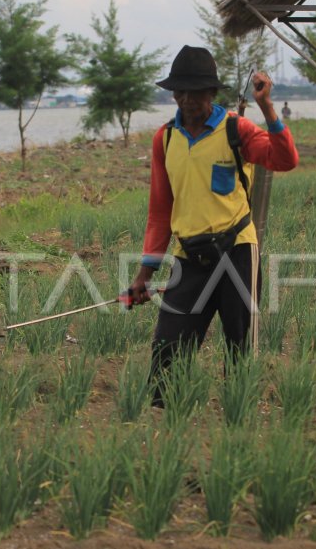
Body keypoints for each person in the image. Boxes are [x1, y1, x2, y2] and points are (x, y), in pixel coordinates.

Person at [126, 46, 299, 402]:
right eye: (180, 91)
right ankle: (163, 429)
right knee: (167, 352)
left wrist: (267, 108)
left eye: (196, 92)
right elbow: (160, 210)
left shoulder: (237, 129)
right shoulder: (166, 138)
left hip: (236, 252)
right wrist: (144, 275)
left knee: (239, 351)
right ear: (173, 93)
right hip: (189, 258)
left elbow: (285, 160)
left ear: (212, 93)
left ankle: (239, 421)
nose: (187, 100)